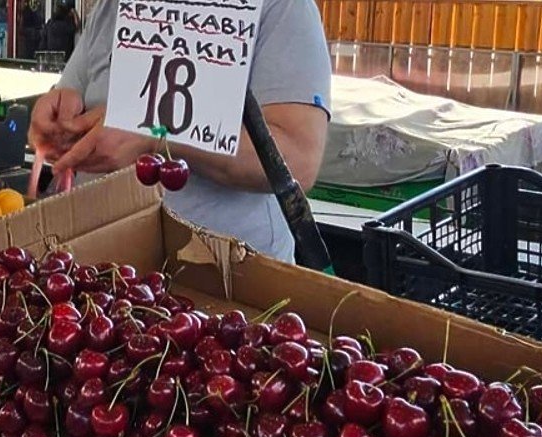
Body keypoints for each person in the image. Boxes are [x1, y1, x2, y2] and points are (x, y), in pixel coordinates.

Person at [28, 0, 331, 263]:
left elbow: (298, 159)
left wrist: (154, 133)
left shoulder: (283, 8)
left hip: (228, 284)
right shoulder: (112, 6)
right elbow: (75, 91)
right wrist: (58, 110)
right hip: (103, 278)